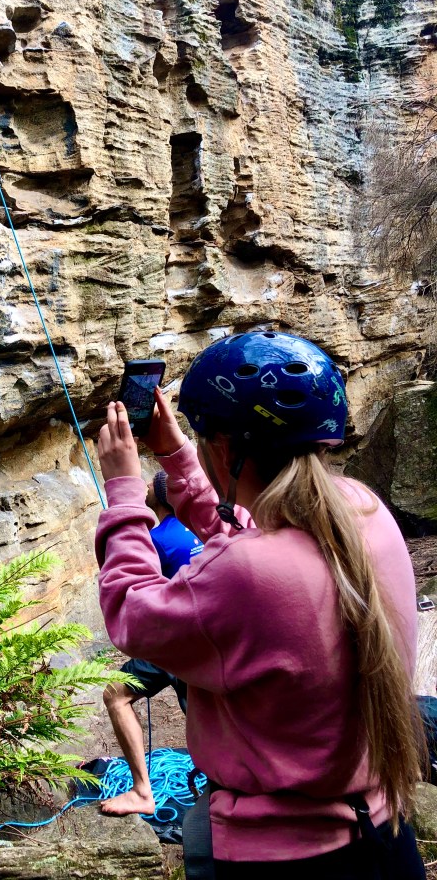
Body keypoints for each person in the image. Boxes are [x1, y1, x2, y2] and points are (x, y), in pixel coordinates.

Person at [95, 331, 425, 879]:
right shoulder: (362, 511)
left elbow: (130, 611)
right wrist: (178, 458)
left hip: (285, 860)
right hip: (386, 837)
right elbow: (255, 537)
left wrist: (125, 494)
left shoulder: (246, 572)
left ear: (224, 448)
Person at [102, 470, 201, 816]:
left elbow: (135, 590)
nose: (144, 485)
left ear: (160, 496)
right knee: (208, 718)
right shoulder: (199, 529)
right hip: (207, 638)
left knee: (115, 694)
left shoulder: (156, 539)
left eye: (150, 484)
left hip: (176, 643)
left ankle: (143, 791)